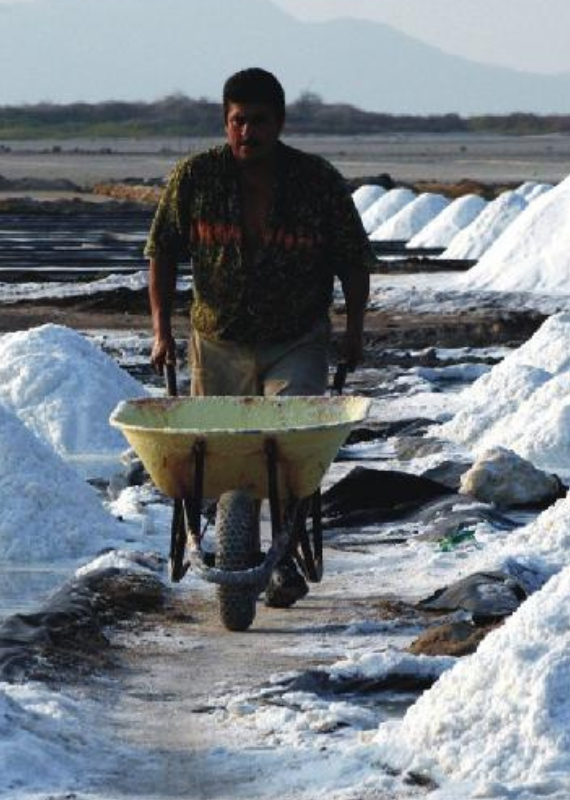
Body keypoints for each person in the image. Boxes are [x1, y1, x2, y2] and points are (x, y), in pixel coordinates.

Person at [145, 67, 375, 606]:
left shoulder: (316, 181)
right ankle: (237, 542)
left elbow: (354, 262)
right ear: (225, 123)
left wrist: (356, 331)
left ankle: (286, 550)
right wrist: (160, 332)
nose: (248, 133)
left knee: (290, 444)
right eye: (238, 121)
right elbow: (161, 253)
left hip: (296, 336)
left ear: (281, 123)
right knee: (222, 455)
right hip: (217, 338)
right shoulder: (196, 178)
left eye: (259, 122)